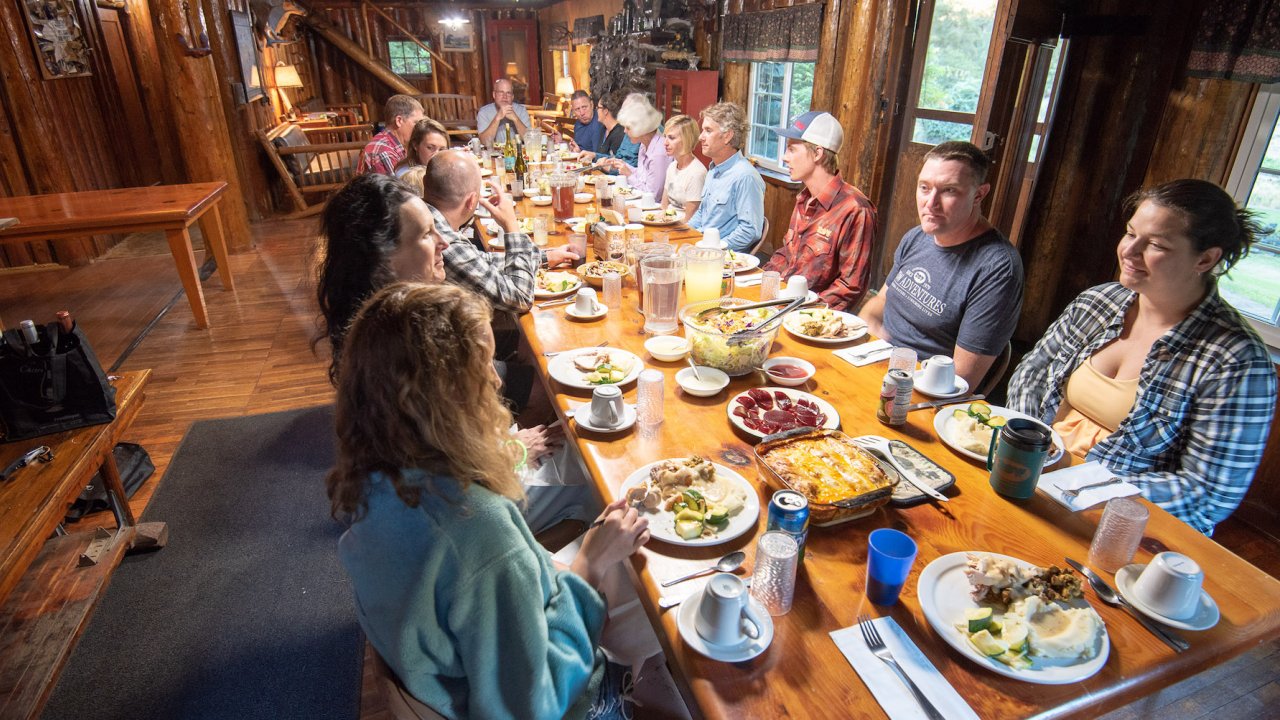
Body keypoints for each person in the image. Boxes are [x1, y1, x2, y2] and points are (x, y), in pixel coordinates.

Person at [329, 282, 649, 719]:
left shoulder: (374, 479)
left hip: (452, 674)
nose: (497, 379)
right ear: (447, 398)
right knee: (651, 598)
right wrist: (589, 565)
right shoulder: (478, 531)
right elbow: (535, 705)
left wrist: (546, 567)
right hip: (569, 704)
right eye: (483, 365)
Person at [1007, 180, 1276, 536]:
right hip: (1033, 474)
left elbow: (1208, 493)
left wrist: (1080, 484)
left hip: (1120, 521)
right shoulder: (1099, 301)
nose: (1129, 252)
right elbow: (1032, 373)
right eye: (1130, 233)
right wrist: (1029, 445)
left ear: (1206, 258)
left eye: (1157, 245)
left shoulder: (1236, 362)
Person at [860, 141, 1023, 388]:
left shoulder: (998, 269)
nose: (930, 203)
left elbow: (961, 380)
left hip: (919, 390)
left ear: (979, 194)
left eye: (949, 191)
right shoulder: (917, 236)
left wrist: (892, 369)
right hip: (874, 361)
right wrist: (870, 329)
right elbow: (880, 303)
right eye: (924, 188)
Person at [315, 173, 446, 380]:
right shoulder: (402, 343)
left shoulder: (373, 321)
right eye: (426, 234)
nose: (443, 242)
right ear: (383, 261)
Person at [423, 149, 578, 314]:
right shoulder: (444, 241)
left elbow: (479, 261)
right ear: (471, 201)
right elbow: (520, 297)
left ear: (425, 182)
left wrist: (544, 257)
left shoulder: (424, 217)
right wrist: (511, 226)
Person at [762, 111, 876, 311]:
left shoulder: (856, 209)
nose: (784, 157)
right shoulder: (804, 198)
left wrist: (798, 311)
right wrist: (762, 281)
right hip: (780, 304)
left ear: (817, 153)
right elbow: (787, 255)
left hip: (810, 320)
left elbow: (850, 287)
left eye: (791, 149)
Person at [687, 102, 765, 252]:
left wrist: (714, 250)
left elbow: (750, 231)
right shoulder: (713, 169)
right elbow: (703, 214)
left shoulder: (746, 177)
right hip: (701, 249)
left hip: (722, 259)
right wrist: (683, 233)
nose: (700, 137)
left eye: (708, 131)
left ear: (727, 136)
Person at [601, 93, 670, 201]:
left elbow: (653, 196)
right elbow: (642, 177)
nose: (624, 131)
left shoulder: (659, 153)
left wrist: (628, 174)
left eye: (628, 128)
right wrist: (624, 166)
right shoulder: (644, 144)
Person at [357, 94, 425, 175]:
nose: (420, 128)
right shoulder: (383, 152)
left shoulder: (399, 146)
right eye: (416, 123)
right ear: (399, 121)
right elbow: (398, 187)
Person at [659, 114, 706, 222]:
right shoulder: (672, 166)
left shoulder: (697, 173)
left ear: (686, 140)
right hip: (666, 223)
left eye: (671, 138)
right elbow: (663, 206)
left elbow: (689, 221)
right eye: (665, 137)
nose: (665, 143)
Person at [577, 91, 638, 168]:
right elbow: (617, 159)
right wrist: (594, 155)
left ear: (605, 111)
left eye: (598, 108)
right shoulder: (603, 128)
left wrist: (607, 167)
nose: (596, 110)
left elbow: (627, 166)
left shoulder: (621, 133)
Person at [476, 78, 531, 147]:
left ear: (512, 97)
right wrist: (497, 118)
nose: (505, 97)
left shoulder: (521, 110)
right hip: (493, 155)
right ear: (494, 95)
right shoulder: (483, 112)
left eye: (508, 93)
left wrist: (516, 119)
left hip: (518, 154)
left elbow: (530, 140)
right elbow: (483, 142)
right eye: (501, 92)